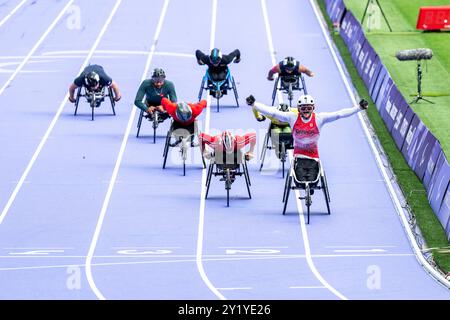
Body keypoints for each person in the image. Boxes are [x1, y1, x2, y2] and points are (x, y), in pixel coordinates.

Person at [246, 94, 369, 183]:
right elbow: (272, 112)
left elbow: (339, 114)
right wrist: (254, 104)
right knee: (299, 180)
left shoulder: (320, 118)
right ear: (298, 109)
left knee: (314, 181)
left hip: (314, 156)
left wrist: (359, 108)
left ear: (313, 108)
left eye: (309, 108)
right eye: (303, 108)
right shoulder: (292, 117)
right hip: (298, 156)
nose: (306, 111)